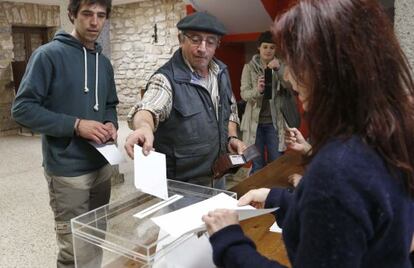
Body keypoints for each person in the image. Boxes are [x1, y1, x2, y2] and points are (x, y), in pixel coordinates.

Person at [202, 0, 414, 267]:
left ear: (331, 68)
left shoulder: (336, 171)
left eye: (296, 62)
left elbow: (336, 199)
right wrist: (277, 199)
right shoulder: (388, 131)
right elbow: (344, 220)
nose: (290, 76)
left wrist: (228, 240)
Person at [11, 0, 118, 266]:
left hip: (102, 165)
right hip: (68, 172)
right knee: (73, 250)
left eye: (101, 15)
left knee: (95, 239)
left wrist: (110, 122)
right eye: (87, 14)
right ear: (72, 15)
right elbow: (22, 109)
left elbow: (109, 104)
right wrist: (76, 125)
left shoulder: (103, 63)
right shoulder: (48, 55)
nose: (94, 22)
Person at [125, 12, 246, 189]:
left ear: (217, 45)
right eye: (195, 39)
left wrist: (231, 138)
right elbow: (148, 106)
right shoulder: (165, 79)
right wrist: (144, 127)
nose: (202, 48)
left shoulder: (221, 72)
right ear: (181, 39)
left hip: (219, 174)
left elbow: (230, 109)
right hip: (183, 185)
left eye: (210, 42)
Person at [240, 31, 299, 174]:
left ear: (276, 49)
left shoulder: (282, 66)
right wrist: (258, 91)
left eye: (272, 47)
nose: (268, 50)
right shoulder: (249, 68)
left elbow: (292, 86)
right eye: (265, 47)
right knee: (257, 164)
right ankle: (258, 194)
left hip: (275, 124)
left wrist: (278, 69)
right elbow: (244, 94)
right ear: (259, 48)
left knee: (277, 163)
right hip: (254, 124)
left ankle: (275, 194)